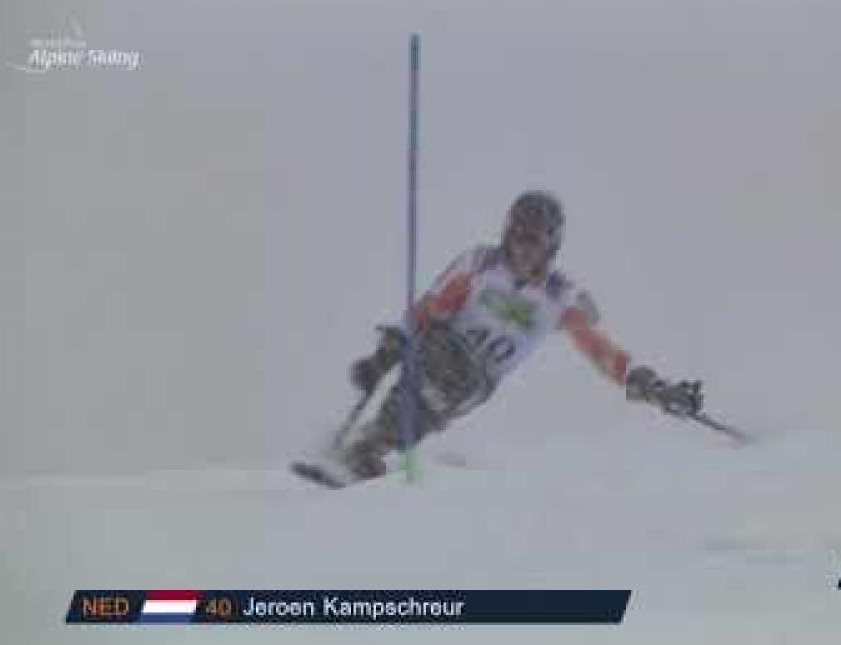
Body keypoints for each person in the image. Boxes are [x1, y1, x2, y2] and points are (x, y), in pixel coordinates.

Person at [294, 189, 704, 487]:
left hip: (474, 378)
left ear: (551, 247)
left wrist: (650, 385)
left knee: (426, 396)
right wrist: (385, 353)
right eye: (518, 238)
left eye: (534, 242)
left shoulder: (559, 297)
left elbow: (601, 352)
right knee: (422, 366)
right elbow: (432, 306)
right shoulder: (480, 264)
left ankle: (366, 453)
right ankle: (359, 458)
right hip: (439, 348)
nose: (523, 251)